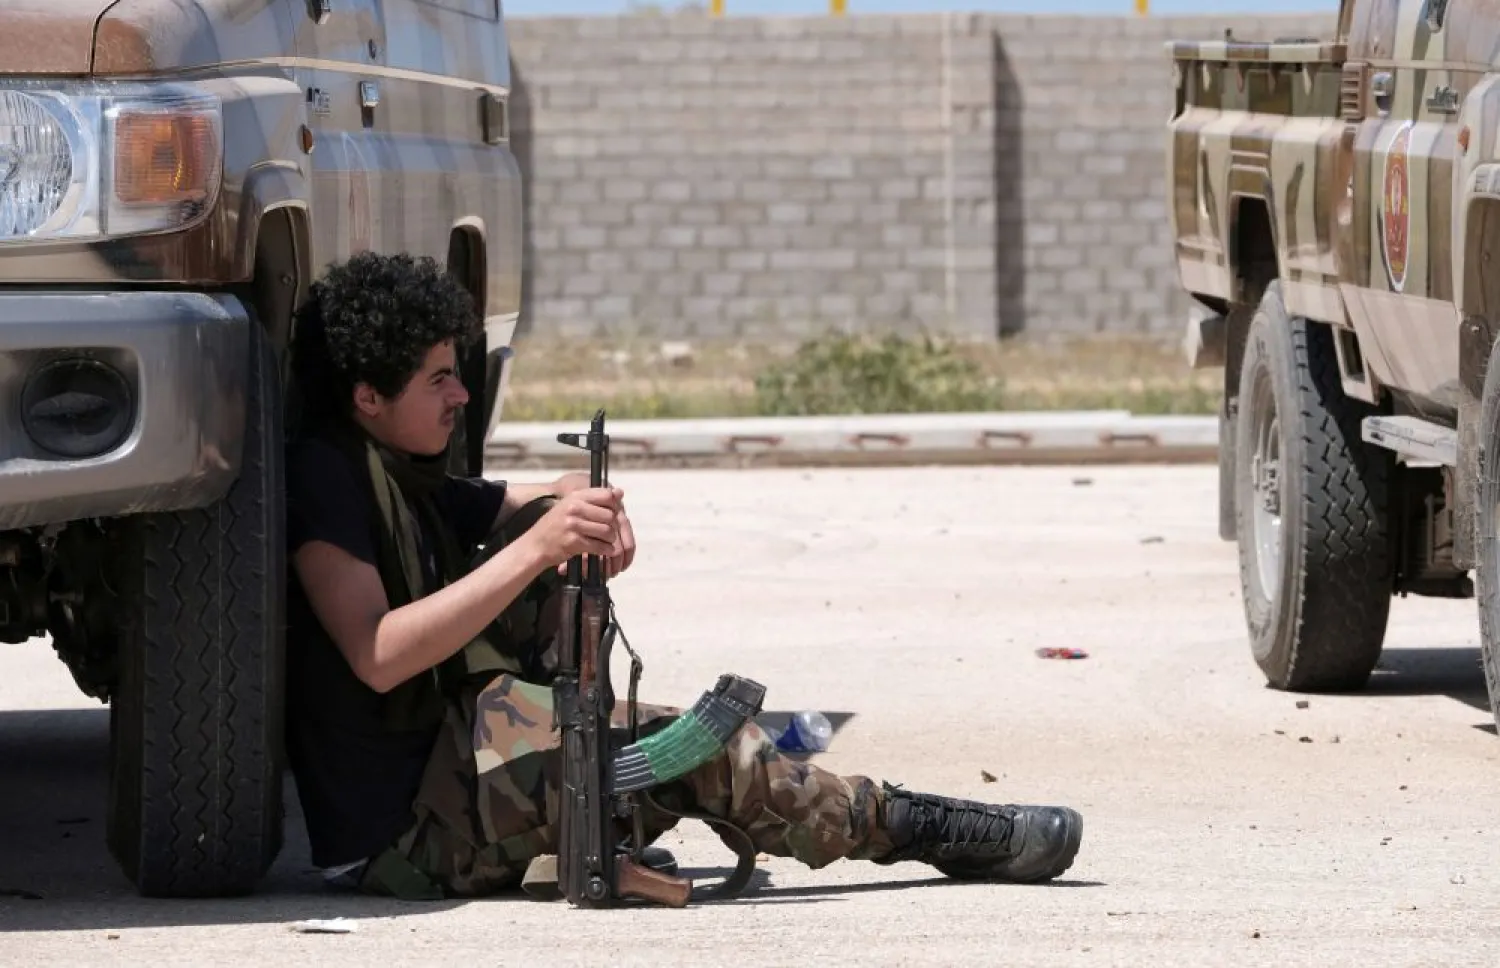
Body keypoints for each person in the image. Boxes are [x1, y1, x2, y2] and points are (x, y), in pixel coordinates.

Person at [282, 251, 1085, 900]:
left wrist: (581, 509)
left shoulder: (398, 473)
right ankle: (919, 827)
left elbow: (529, 498)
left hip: (453, 761)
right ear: (367, 396)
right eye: (438, 380)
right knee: (702, 752)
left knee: (676, 735)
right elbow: (378, 652)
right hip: (403, 835)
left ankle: (837, 790)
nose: (462, 394)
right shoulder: (329, 484)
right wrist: (539, 548)